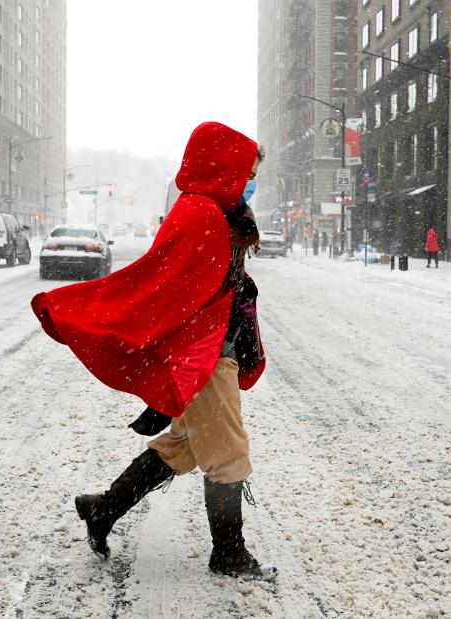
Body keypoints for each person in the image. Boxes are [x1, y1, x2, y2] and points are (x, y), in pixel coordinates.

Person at [30, 122, 276, 581]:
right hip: (203, 353)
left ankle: (102, 511)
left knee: (181, 447)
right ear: (222, 166)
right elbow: (171, 290)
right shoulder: (202, 214)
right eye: (247, 171)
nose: (250, 181)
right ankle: (229, 554)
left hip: (209, 348)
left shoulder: (216, 210)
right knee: (227, 454)